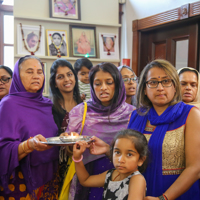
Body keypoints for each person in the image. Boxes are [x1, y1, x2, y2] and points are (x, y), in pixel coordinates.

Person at [90, 59, 200, 200]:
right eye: (153, 82)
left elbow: (195, 168)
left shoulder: (190, 114)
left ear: (175, 86)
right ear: (144, 89)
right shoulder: (136, 116)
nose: (160, 87)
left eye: (166, 81)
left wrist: (164, 198)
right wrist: (107, 149)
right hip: (139, 192)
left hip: (180, 194)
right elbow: (130, 157)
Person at [63, 62, 134, 200]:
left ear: (118, 84)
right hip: (88, 175)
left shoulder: (133, 114)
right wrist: (70, 142)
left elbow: (138, 150)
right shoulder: (80, 111)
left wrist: (108, 150)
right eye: (97, 83)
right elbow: (69, 150)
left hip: (123, 176)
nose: (103, 88)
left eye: (109, 82)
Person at [0, 55, 59, 199]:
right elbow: (3, 148)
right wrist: (29, 145)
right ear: (17, 76)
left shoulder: (47, 104)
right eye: (29, 72)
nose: (36, 76)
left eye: (39, 72)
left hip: (51, 176)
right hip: (20, 180)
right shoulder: (8, 104)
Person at [73, 129, 148, 200]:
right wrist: (77, 158)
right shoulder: (111, 174)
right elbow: (85, 180)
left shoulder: (137, 179)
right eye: (117, 152)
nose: (120, 160)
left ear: (141, 160)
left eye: (129, 154)